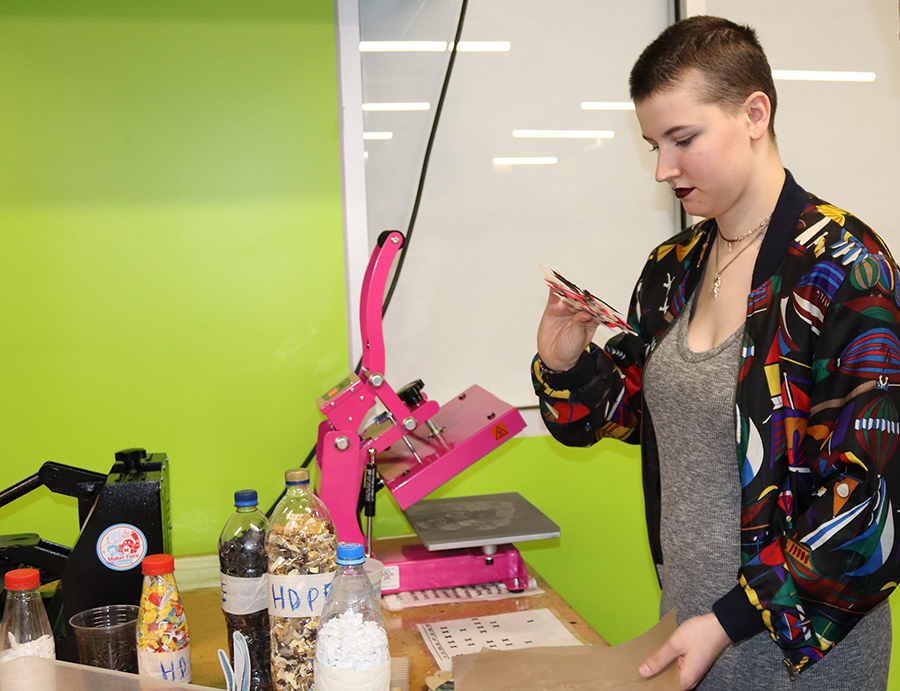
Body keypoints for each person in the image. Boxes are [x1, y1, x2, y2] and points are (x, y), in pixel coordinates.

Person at [533, 16, 900, 691]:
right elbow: (625, 414)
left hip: (801, 654)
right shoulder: (673, 267)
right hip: (692, 635)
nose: (663, 169)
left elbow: (867, 497)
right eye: (653, 144)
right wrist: (565, 364)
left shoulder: (844, 265)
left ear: (754, 113)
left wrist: (733, 616)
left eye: (683, 139)